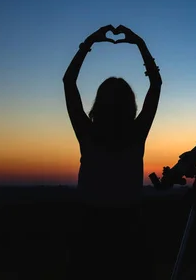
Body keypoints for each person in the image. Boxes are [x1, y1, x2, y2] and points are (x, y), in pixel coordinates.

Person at [63, 24, 162, 278]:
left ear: (98, 103)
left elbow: (69, 82)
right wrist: (139, 43)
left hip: (89, 229)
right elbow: (156, 84)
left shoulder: (87, 133)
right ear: (130, 105)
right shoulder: (137, 133)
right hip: (130, 229)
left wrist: (89, 43)